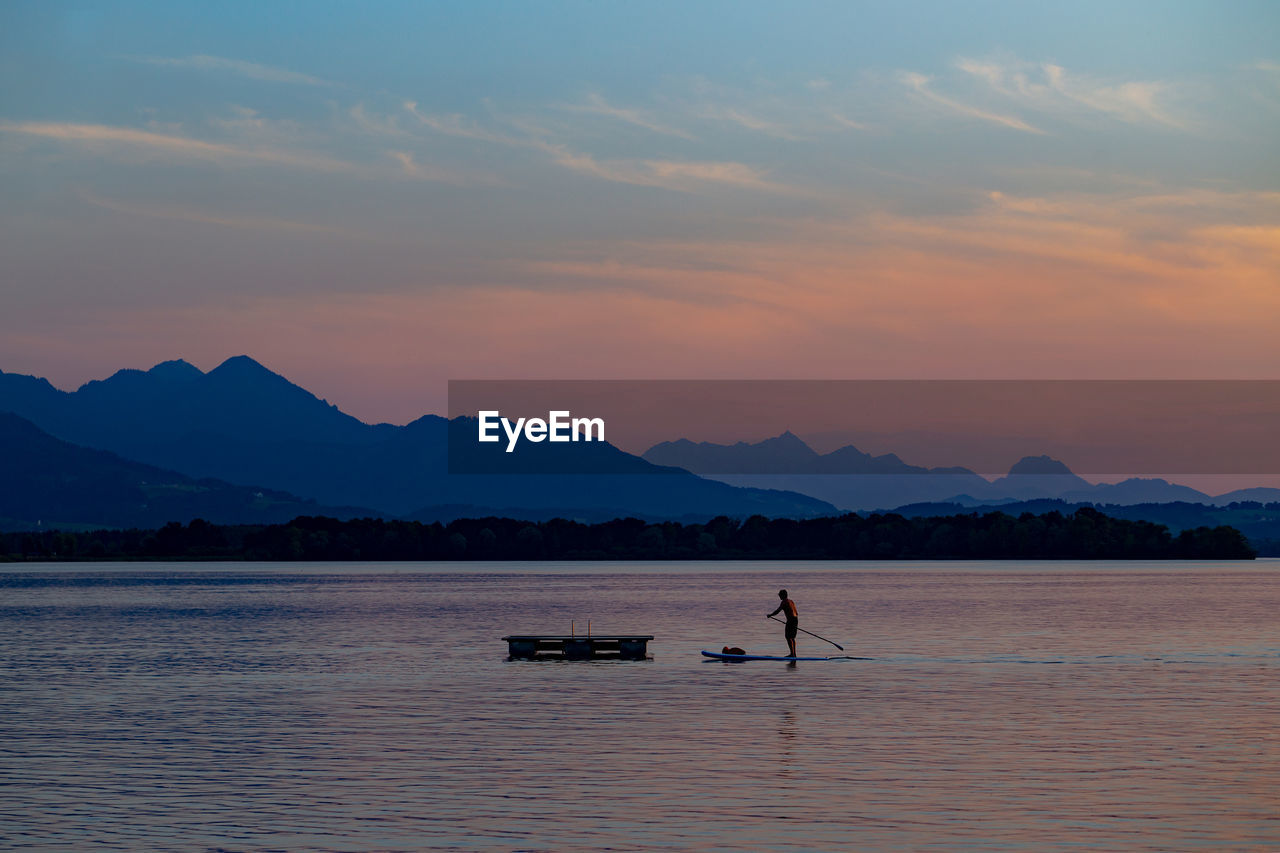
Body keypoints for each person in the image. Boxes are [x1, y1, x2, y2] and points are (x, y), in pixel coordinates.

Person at [767, 589, 799, 657]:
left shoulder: (784, 602)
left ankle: (792, 654)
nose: (779, 596)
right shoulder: (791, 601)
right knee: (792, 637)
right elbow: (796, 612)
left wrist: (770, 615)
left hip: (791, 620)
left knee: (788, 637)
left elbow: (777, 611)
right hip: (795, 619)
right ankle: (794, 654)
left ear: (783, 595)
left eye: (780, 595)